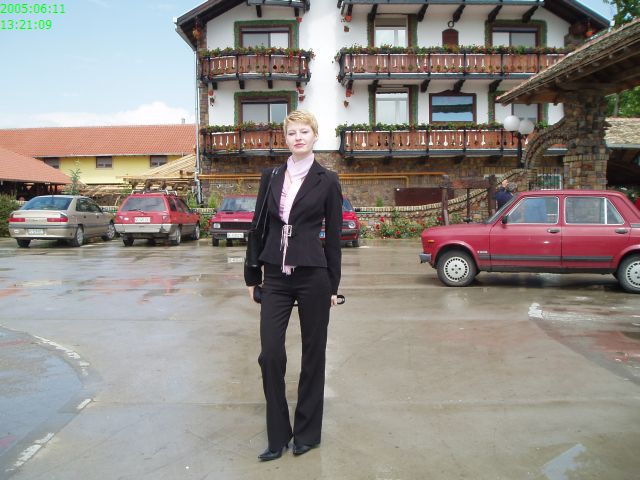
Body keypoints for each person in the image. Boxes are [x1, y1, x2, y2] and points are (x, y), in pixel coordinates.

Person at [244, 110, 343, 461]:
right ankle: (278, 434)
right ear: (285, 139)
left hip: (313, 275)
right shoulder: (271, 176)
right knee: (270, 354)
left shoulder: (327, 180)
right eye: (291, 133)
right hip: (275, 275)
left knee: (313, 354)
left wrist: (333, 285)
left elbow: (334, 236)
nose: (298, 137)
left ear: (315, 136)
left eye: (304, 132)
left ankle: (307, 434)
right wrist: (252, 276)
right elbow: (257, 226)